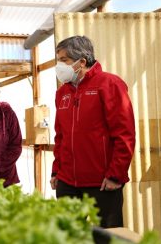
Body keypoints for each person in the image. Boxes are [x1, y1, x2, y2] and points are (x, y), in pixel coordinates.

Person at [50, 35, 135, 228]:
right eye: (58, 60)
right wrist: (56, 170)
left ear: (82, 61)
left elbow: (124, 134)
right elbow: (60, 136)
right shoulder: (62, 92)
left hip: (102, 183)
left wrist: (116, 175)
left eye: (64, 60)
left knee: (105, 236)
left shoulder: (110, 84)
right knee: (67, 236)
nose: (59, 66)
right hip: (67, 181)